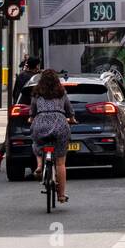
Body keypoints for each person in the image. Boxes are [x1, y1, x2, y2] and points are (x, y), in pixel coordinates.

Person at [29, 69, 76, 203]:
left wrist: (31, 118)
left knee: (36, 142)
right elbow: (69, 109)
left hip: (41, 123)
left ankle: (39, 165)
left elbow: (32, 110)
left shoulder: (37, 93)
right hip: (60, 123)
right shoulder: (61, 92)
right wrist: (72, 118)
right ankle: (61, 195)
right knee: (60, 163)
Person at [0, 57, 41, 171]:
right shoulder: (36, 78)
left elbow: (15, 93)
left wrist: (17, 106)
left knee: (12, 134)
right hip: (35, 109)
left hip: (21, 107)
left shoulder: (21, 75)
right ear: (37, 66)